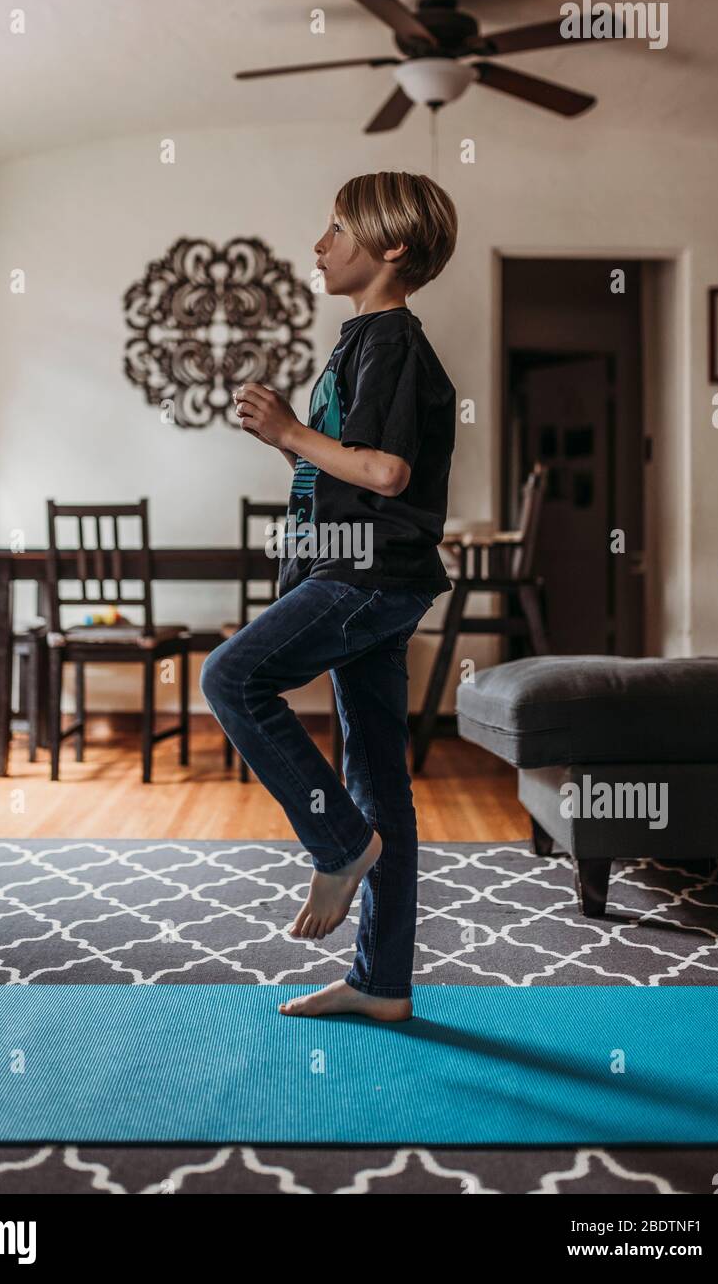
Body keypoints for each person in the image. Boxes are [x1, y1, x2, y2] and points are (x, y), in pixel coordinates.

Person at [201, 171, 457, 1021]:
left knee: (230, 678)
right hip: (360, 569)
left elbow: (388, 473)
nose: (318, 245)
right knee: (380, 776)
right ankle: (381, 985)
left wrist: (289, 430)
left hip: (367, 575)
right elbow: (349, 472)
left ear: (388, 247)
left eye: (336, 229)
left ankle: (338, 843)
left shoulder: (391, 341)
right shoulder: (359, 343)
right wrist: (289, 443)